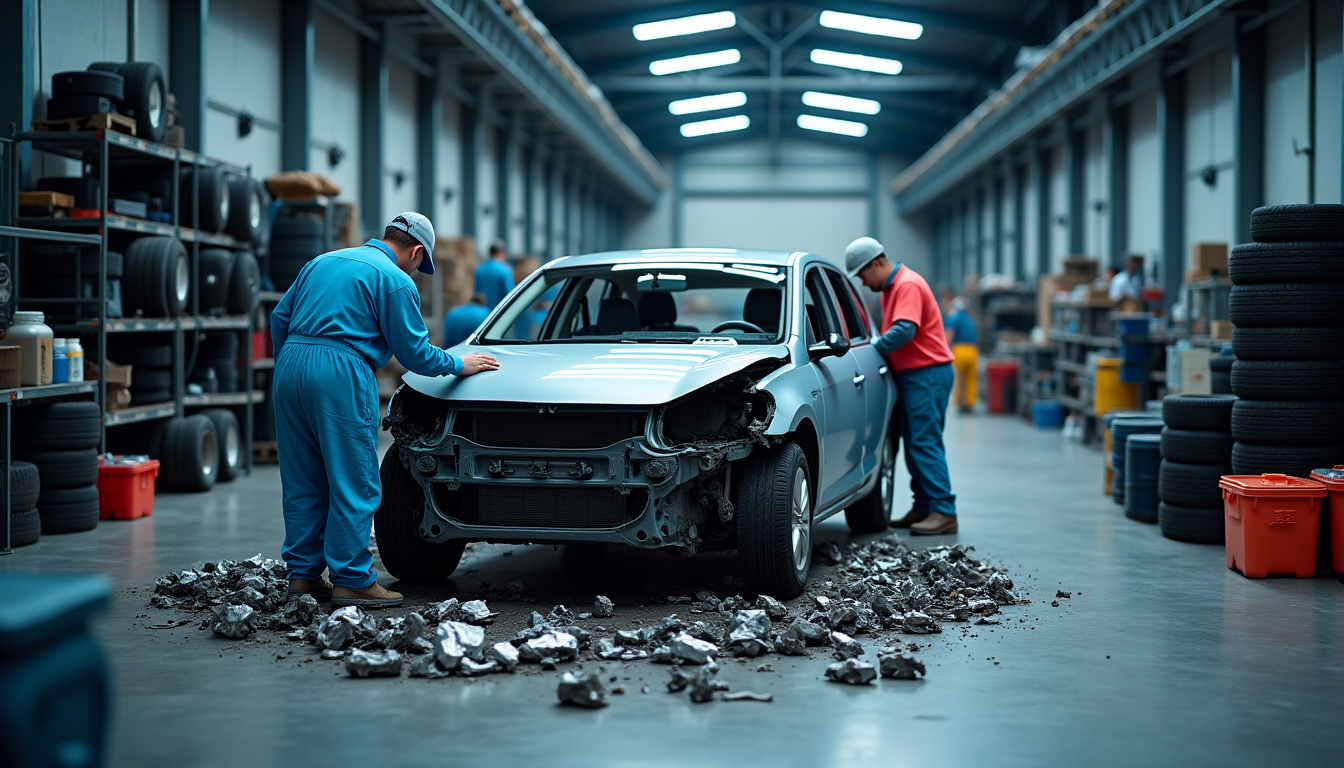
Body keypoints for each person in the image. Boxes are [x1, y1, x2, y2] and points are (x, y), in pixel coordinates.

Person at [270, 213, 500, 608]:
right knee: (354, 479)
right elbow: (415, 354)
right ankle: (353, 580)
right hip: (341, 369)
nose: (417, 270)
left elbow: (279, 317)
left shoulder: (322, 262)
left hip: (289, 365)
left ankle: (303, 577)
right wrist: (461, 364)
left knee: (304, 479)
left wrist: (294, 367)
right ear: (415, 251)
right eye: (419, 263)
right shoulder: (394, 280)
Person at [846, 236, 959, 535]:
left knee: (925, 442)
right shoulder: (890, 288)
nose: (862, 282)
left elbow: (905, 330)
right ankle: (924, 506)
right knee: (914, 443)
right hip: (915, 375)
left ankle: (944, 510)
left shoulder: (907, 284)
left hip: (927, 374)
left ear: (876, 263)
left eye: (862, 274)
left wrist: (874, 348)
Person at [944, 296, 979, 414]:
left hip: (959, 350)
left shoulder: (954, 317)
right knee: (971, 378)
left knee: (958, 379)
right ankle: (969, 403)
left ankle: (959, 404)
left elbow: (949, 334)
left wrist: (945, 348)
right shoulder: (970, 318)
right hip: (973, 350)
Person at [474, 239, 515, 309]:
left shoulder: (479, 269)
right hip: (500, 313)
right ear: (501, 252)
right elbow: (510, 295)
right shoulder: (505, 270)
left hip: (484, 314)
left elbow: (477, 294)